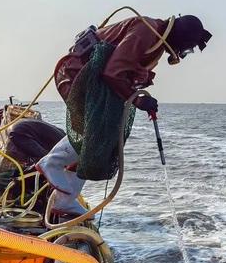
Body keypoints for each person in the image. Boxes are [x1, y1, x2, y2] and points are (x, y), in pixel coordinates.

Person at [37, 14, 211, 215]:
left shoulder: (157, 43)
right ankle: (52, 163)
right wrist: (137, 100)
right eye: (187, 47)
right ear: (181, 37)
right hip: (77, 75)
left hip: (97, 83)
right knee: (95, 134)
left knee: (101, 142)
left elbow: (128, 73)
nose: (183, 53)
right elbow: (113, 72)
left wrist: (140, 92)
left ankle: (65, 199)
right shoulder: (146, 32)